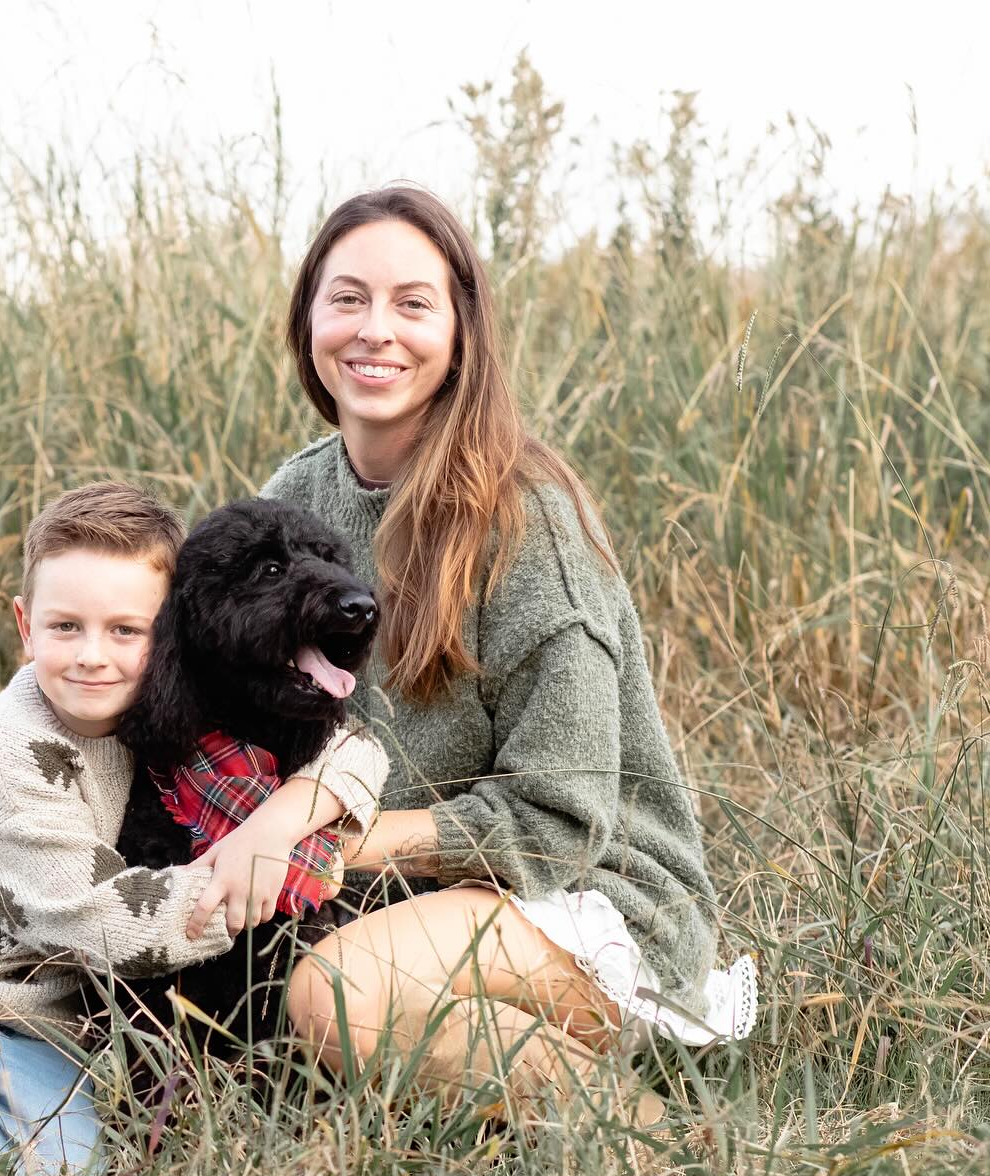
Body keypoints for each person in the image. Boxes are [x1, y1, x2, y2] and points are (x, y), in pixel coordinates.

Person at [230, 186, 758, 1124]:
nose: (374, 330)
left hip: (586, 892)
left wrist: (328, 837)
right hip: (394, 888)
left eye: (412, 303)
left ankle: (646, 1141)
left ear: (462, 328)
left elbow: (563, 814)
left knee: (334, 995)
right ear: (308, 315)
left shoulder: (524, 519)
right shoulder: (295, 495)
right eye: (346, 298)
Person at [0, 483, 386, 1176]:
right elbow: (101, 925)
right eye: (65, 628)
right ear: (26, 628)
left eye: (125, 630)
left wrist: (276, 823)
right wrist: (240, 884)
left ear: (172, 630)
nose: (93, 656)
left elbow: (356, 748)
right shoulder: (13, 748)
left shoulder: (164, 716)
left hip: (41, 1024)